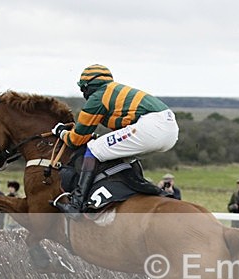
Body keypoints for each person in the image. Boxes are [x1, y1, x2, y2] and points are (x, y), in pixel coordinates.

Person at [51, 64, 179, 218]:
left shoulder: (98, 97)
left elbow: (75, 140)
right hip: (170, 129)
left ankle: (76, 203)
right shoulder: (115, 91)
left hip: (152, 127)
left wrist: (61, 131)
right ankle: (149, 188)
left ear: (86, 87)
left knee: (93, 149)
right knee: (123, 154)